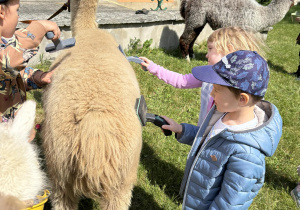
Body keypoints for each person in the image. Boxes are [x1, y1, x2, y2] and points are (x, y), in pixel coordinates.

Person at [161, 50, 282, 209]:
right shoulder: (223, 113)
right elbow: (209, 139)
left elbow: (229, 204)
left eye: (217, 89)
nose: (211, 93)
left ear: (242, 99)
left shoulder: (247, 155)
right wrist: (181, 130)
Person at [140, 27, 266, 126]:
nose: (206, 55)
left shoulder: (238, 86)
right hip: (203, 131)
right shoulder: (207, 74)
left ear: (228, 51)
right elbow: (182, 81)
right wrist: (154, 68)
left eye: (210, 49)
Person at [0, 0, 60, 124]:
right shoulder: (6, 54)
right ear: (1, 12)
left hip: (12, 135)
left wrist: (37, 77)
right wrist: (39, 27)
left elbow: (11, 77)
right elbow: (8, 62)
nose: (19, 16)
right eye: (17, 10)